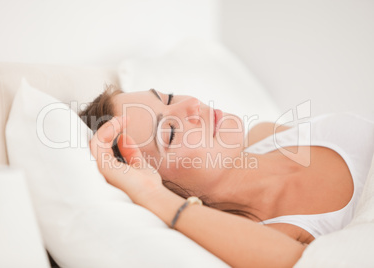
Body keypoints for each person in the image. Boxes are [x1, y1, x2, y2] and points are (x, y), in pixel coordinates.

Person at [79, 86, 374, 267]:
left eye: (168, 97)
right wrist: (153, 195)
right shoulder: (271, 239)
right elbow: (305, 264)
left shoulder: (267, 133)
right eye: (170, 132)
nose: (191, 106)